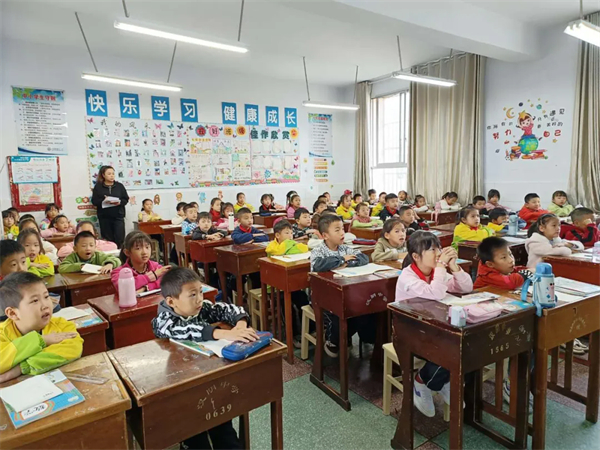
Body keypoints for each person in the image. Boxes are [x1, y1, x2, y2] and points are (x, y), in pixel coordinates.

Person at [151, 267, 253, 450]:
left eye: (200, 292)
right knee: (197, 439)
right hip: (183, 394)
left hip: (211, 384)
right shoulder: (164, 321)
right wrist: (224, 333)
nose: (199, 299)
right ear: (171, 301)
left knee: (225, 433)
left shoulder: (201, 308)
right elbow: (188, 330)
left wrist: (240, 324)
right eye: (192, 294)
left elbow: (227, 308)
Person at [395, 231, 472, 417]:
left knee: (466, 342)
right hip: (410, 332)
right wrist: (441, 267)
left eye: (439, 248)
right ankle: (422, 381)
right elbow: (436, 293)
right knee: (452, 346)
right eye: (432, 250)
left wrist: (454, 267)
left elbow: (466, 287)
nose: (438, 253)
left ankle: (441, 381)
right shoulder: (407, 277)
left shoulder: (436, 272)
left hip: (434, 326)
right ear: (416, 256)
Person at [0, 272, 83, 382]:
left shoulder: (61, 325)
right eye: (35, 300)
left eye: (46, 296)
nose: (45, 305)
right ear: (13, 313)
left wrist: (22, 367)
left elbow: (73, 349)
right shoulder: (2, 334)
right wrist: (42, 340)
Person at [311, 214, 374, 357]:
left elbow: (364, 258)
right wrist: (341, 259)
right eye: (337, 230)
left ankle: (352, 336)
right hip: (322, 295)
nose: (342, 233)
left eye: (343, 229)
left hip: (346, 291)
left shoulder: (345, 248)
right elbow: (319, 265)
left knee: (363, 308)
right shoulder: (318, 251)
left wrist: (346, 262)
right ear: (325, 235)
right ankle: (333, 341)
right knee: (336, 312)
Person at [91, 165, 129, 247]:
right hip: (104, 217)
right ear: (103, 175)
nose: (111, 176)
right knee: (108, 241)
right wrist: (104, 200)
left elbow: (125, 199)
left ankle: (121, 253)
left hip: (118, 216)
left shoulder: (119, 186)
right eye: (109, 174)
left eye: (113, 174)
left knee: (120, 238)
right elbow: (94, 201)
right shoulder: (98, 187)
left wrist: (119, 202)